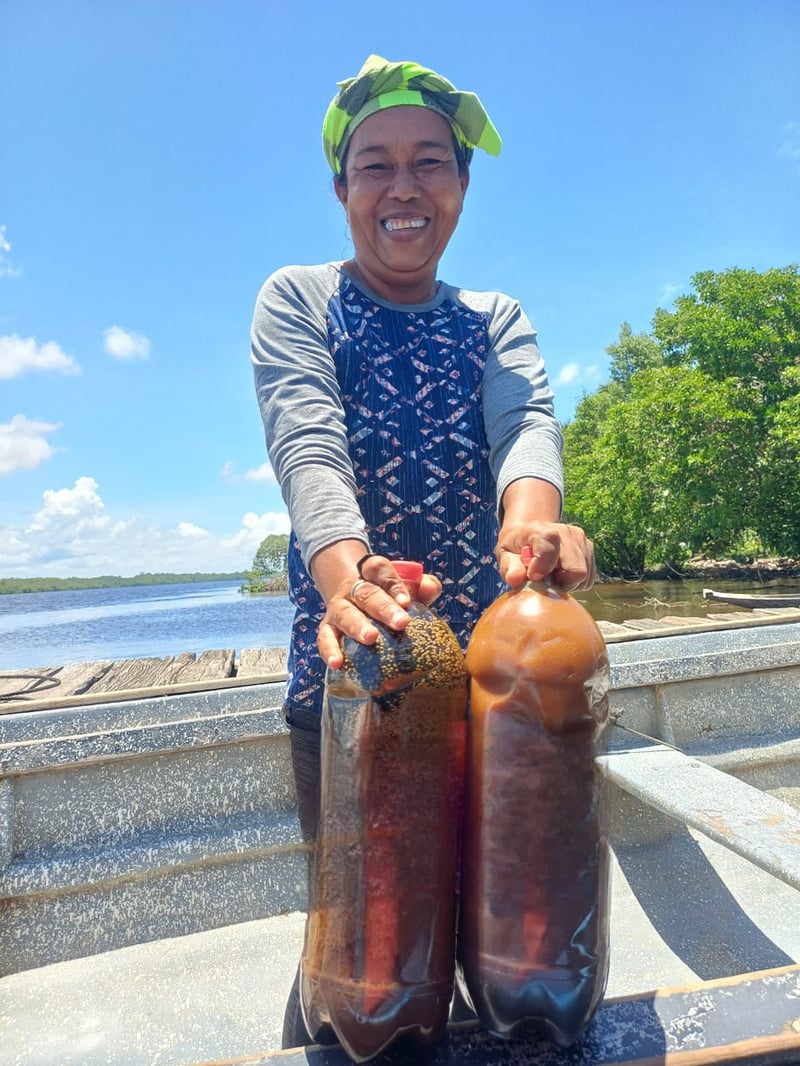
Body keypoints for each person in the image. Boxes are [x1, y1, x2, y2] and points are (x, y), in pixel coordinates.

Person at [250, 54, 597, 1050]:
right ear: (342, 189)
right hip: (352, 691)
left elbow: (524, 426)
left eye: (429, 162)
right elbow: (305, 441)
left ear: (461, 184)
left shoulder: (494, 321)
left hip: (498, 706)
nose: (403, 187)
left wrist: (531, 529)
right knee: (367, 949)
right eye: (374, 166)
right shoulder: (298, 299)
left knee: (506, 937)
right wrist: (345, 575)